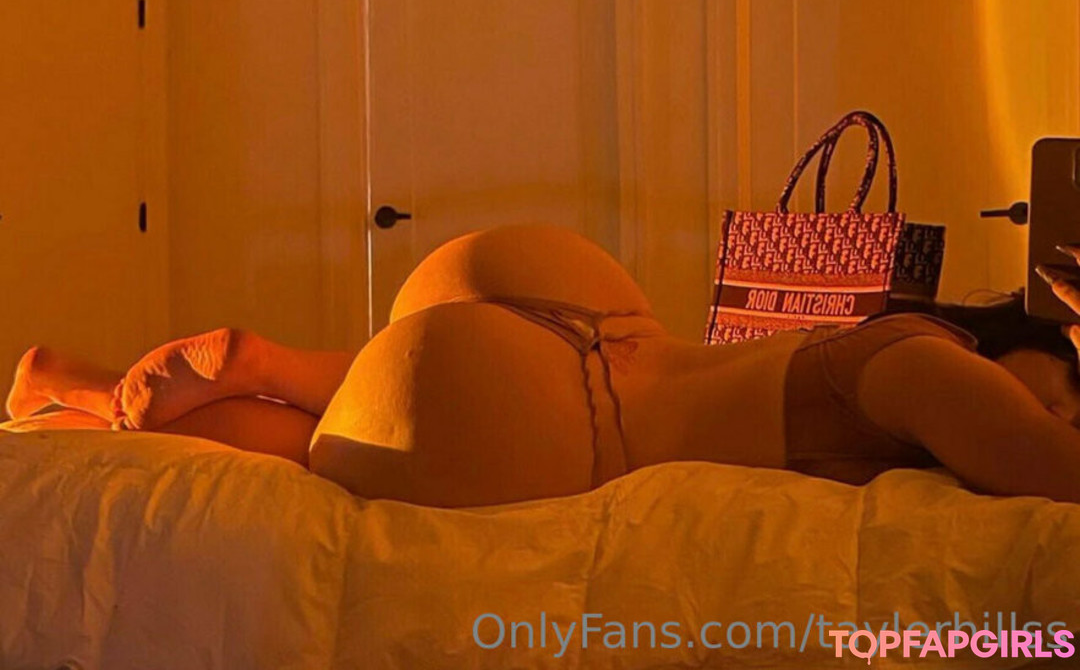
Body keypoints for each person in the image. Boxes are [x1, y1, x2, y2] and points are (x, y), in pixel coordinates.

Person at [7, 224, 1080, 508]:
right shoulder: (927, 364)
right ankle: (109, 399)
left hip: (586, 307)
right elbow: (1055, 473)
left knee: (311, 416)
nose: (1050, 417)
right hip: (578, 417)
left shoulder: (891, 351)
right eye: (1064, 399)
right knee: (305, 455)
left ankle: (72, 392)